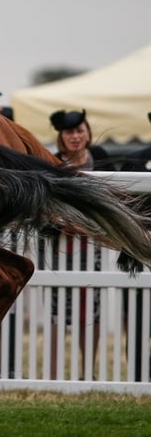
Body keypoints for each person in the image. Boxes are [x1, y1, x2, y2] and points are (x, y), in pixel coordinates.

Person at [47, 108, 108, 379]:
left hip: (94, 245)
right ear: (61, 136)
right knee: (57, 310)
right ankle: (54, 371)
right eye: (70, 132)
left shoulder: (101, 160)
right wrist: (62, 223)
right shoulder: (50, 161)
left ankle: (87, 371)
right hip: (58, 245)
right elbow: (42, 205)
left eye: (80, 130)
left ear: (88, 132)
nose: (76, 136)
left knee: (91, 310)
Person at [118, 110, 151, 381]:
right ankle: (137, 376)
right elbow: (123, 203)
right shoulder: (136, 160)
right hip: (139, 253)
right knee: (138, 318)